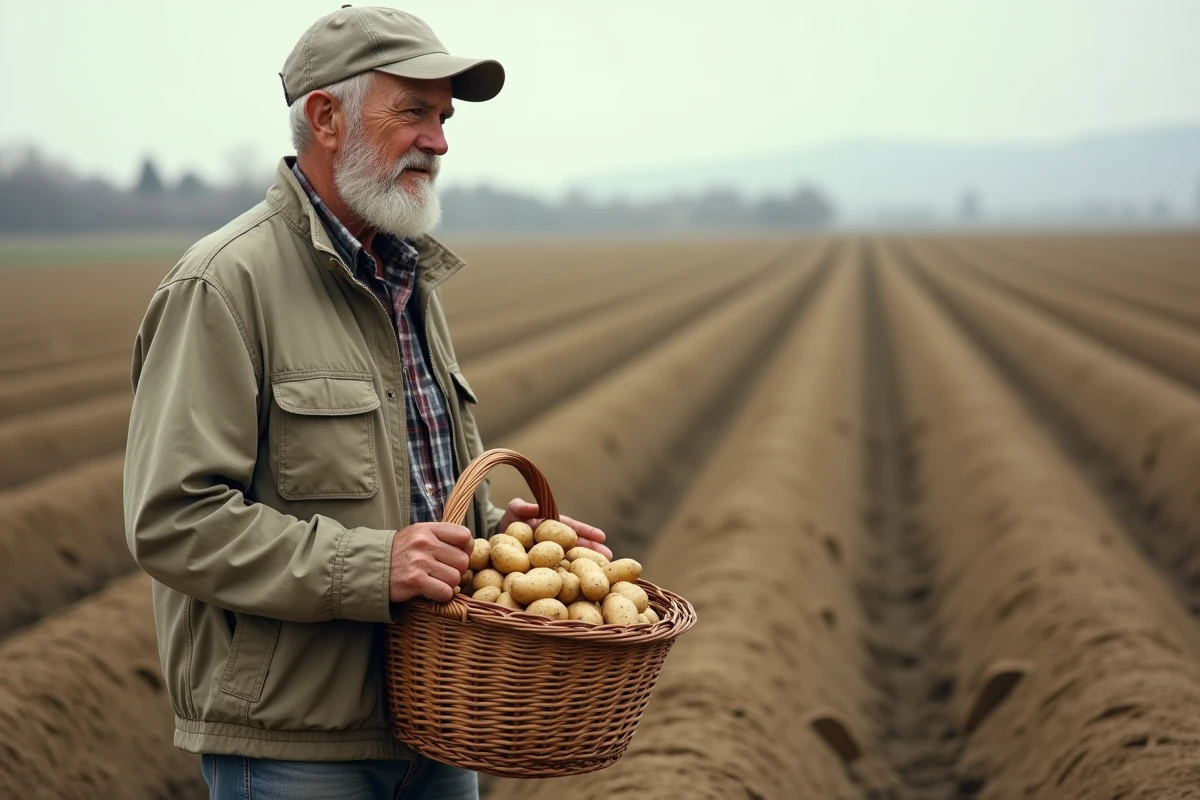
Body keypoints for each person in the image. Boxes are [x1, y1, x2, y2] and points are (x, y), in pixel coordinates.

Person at [122, 6, 611, 799]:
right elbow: (174, 521)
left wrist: (489, 536)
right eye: (413, 111)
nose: (440, 140)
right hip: (297, 743)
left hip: (443, 717)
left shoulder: (408, 279)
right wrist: (373, 565)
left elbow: (404, 488)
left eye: (445, 118)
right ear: (325, 117)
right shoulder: (222, 286)